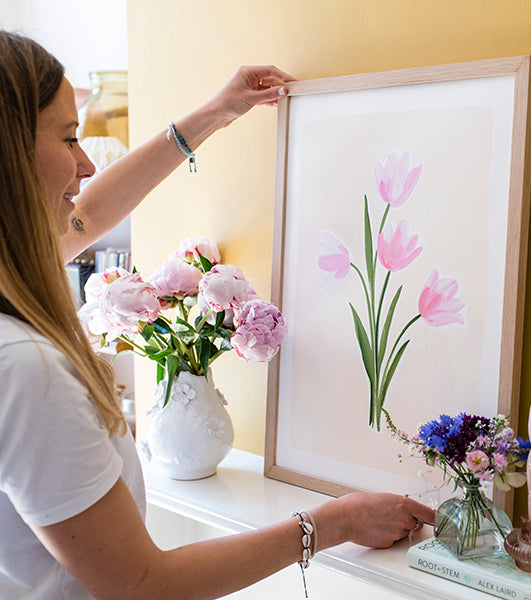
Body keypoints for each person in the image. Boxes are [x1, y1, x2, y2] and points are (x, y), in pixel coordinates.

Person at [0, 30, 435, 599]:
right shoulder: (28, 368)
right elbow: (142, 585)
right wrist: (334, 523)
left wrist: (213, 115)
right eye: (69, 137)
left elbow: (91, 213)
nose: (84, 163)